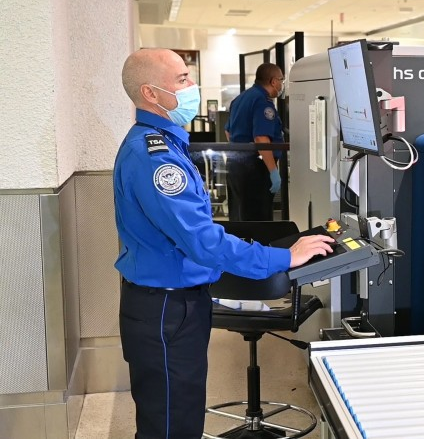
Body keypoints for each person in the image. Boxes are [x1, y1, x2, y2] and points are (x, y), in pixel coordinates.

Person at [114, 48, 334, 439]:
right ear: (151, 93)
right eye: (182, 80)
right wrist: (283, 256)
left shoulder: (166, 143)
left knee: (177, 414)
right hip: (166, 307)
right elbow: (203, 242)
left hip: (173, 301)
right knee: (170, 424)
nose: (192, 87)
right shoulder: (154, 158)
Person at [224, 63, 286, 221]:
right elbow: (261, 139)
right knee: (259, 219)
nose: (282, 85)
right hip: (255, 170)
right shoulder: (262, 102)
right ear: (273, 81)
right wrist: (273, 171)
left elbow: (228, 131)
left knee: (239, 217)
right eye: (281, 80)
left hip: (235, 165)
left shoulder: (240, 98)